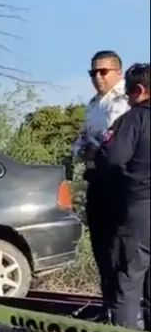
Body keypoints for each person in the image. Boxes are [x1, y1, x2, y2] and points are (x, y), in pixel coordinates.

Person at [91, 62, 150, 332]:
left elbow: (112, 160)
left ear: (138, 91)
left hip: (138, 214)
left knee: (126, 291)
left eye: (128, 93)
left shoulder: (134, 120)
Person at [71, 50, 130, 301]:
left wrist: (96, 147)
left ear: (118, 72)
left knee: (121, 246)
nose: (97, 77)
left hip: (120, 180)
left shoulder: (126, 101)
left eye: (103, 71)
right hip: (96, 178)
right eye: (92, 72)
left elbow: (117, 144)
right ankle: (108, 302)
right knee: (101, 244)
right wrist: (85, 149)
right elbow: (80, 142)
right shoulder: (93, 104)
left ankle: (126, 307)